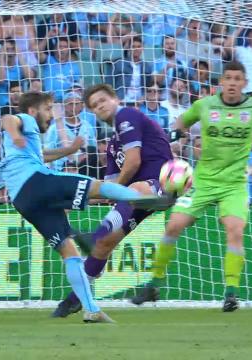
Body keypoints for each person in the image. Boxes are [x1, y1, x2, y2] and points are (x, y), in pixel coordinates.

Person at [1, 92, 166, 323]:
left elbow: (40, 155)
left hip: (22, 200)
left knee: (70, 253)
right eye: (48, 109)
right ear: (32, 111)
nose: (50, 115)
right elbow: (8, 119)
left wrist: (69, 150)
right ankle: (146, 199)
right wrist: (15, 133)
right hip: (36, 181)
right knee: (99, 186)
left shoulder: (26, 146)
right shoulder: (25, 120)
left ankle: (91, 309)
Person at [130, 61, 252, 312]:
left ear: (244, 83)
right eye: (228, 78)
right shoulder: (204, 105)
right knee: (173, 225)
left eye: (237, 79)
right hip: (203, 180)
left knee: (235, 230)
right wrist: (176, 133)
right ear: (221, 82)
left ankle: (231, 293)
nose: (232, 83)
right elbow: (181, 121)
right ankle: (154, 284)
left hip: (234, 184)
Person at [51, 83, 173, 318]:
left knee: (134, 188)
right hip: (138, 199)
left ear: (115, 99)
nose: (100, 107)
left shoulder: (127, 115)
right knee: (104, 244)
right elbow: (108, 188)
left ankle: (93, 236)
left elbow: (134, 162)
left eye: (103, 101)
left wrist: (117, 189)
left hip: (160, 184)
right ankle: (75, 299)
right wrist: (73, 200)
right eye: (94, 106)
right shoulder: (112, 144)